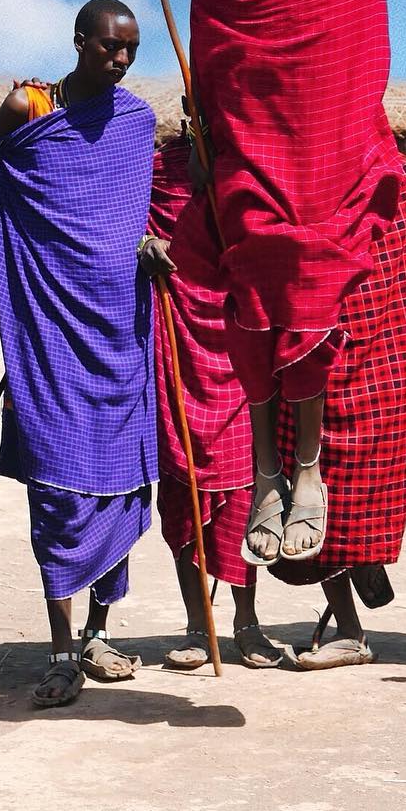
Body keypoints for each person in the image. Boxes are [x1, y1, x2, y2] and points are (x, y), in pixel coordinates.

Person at [173, 0, 401, 574]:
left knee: (305, 299)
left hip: (322, 141)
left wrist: (346, 134)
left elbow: (362, 45)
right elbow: (211, 40)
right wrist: (203, 131)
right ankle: (267, 472)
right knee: (248, 299)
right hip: (242, 138)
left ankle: (305, 471)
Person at [0, 0, 157, 708]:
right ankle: (59, 652)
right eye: (109, 48)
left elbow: (141, 210)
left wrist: (151, 247)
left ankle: (96, 632)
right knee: (59, 489)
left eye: (131, 51)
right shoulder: (27, 106)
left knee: (118, 485)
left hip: (121, 326)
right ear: (80, 42)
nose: (119, 62)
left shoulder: (138, 122)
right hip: (47, 321)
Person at [270, 156, 406, 668]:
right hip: (318, 337)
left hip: (382, 348)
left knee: (364, 478)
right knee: (315, 474)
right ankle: (349, 625)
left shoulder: (401, 177)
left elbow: (403, 278)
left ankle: (366, 557)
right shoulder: (306, 172)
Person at [143, 135, 277, 671]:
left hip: (240, 339)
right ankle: (199, 626)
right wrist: (144, 240)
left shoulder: (254, 164)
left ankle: (247, 624)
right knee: (183, 490)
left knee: (247, 492)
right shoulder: (155, 168)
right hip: (178, 338)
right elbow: (117, 223)